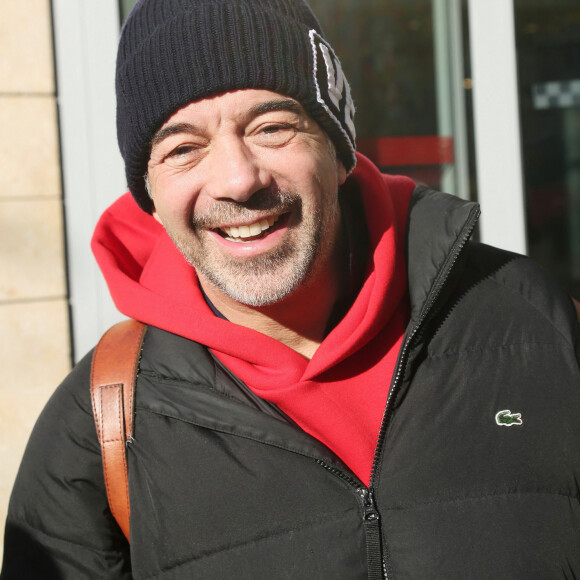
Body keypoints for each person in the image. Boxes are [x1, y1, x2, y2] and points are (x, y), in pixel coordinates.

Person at [3, 0, 580, 578]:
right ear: (150, 194)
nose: (238, 179)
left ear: (339, 152)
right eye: (182, 148)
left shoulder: (526, 319)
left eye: (272, 128)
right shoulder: (101, 421)